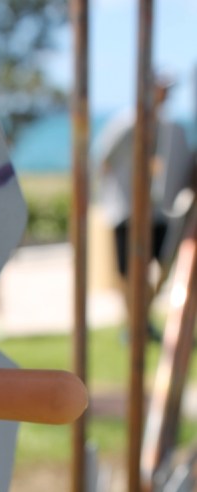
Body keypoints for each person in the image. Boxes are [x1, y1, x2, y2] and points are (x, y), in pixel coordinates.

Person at [94, 75, 193, 340]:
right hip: (127, 211)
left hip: (157, 211)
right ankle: (135, 326)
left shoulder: (168, 126)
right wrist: (115, 196)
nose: (166, 95)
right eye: (162, 89)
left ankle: (140, 322)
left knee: (160, 265)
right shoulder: (128, 122)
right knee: (129, 273)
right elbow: (104, 161)